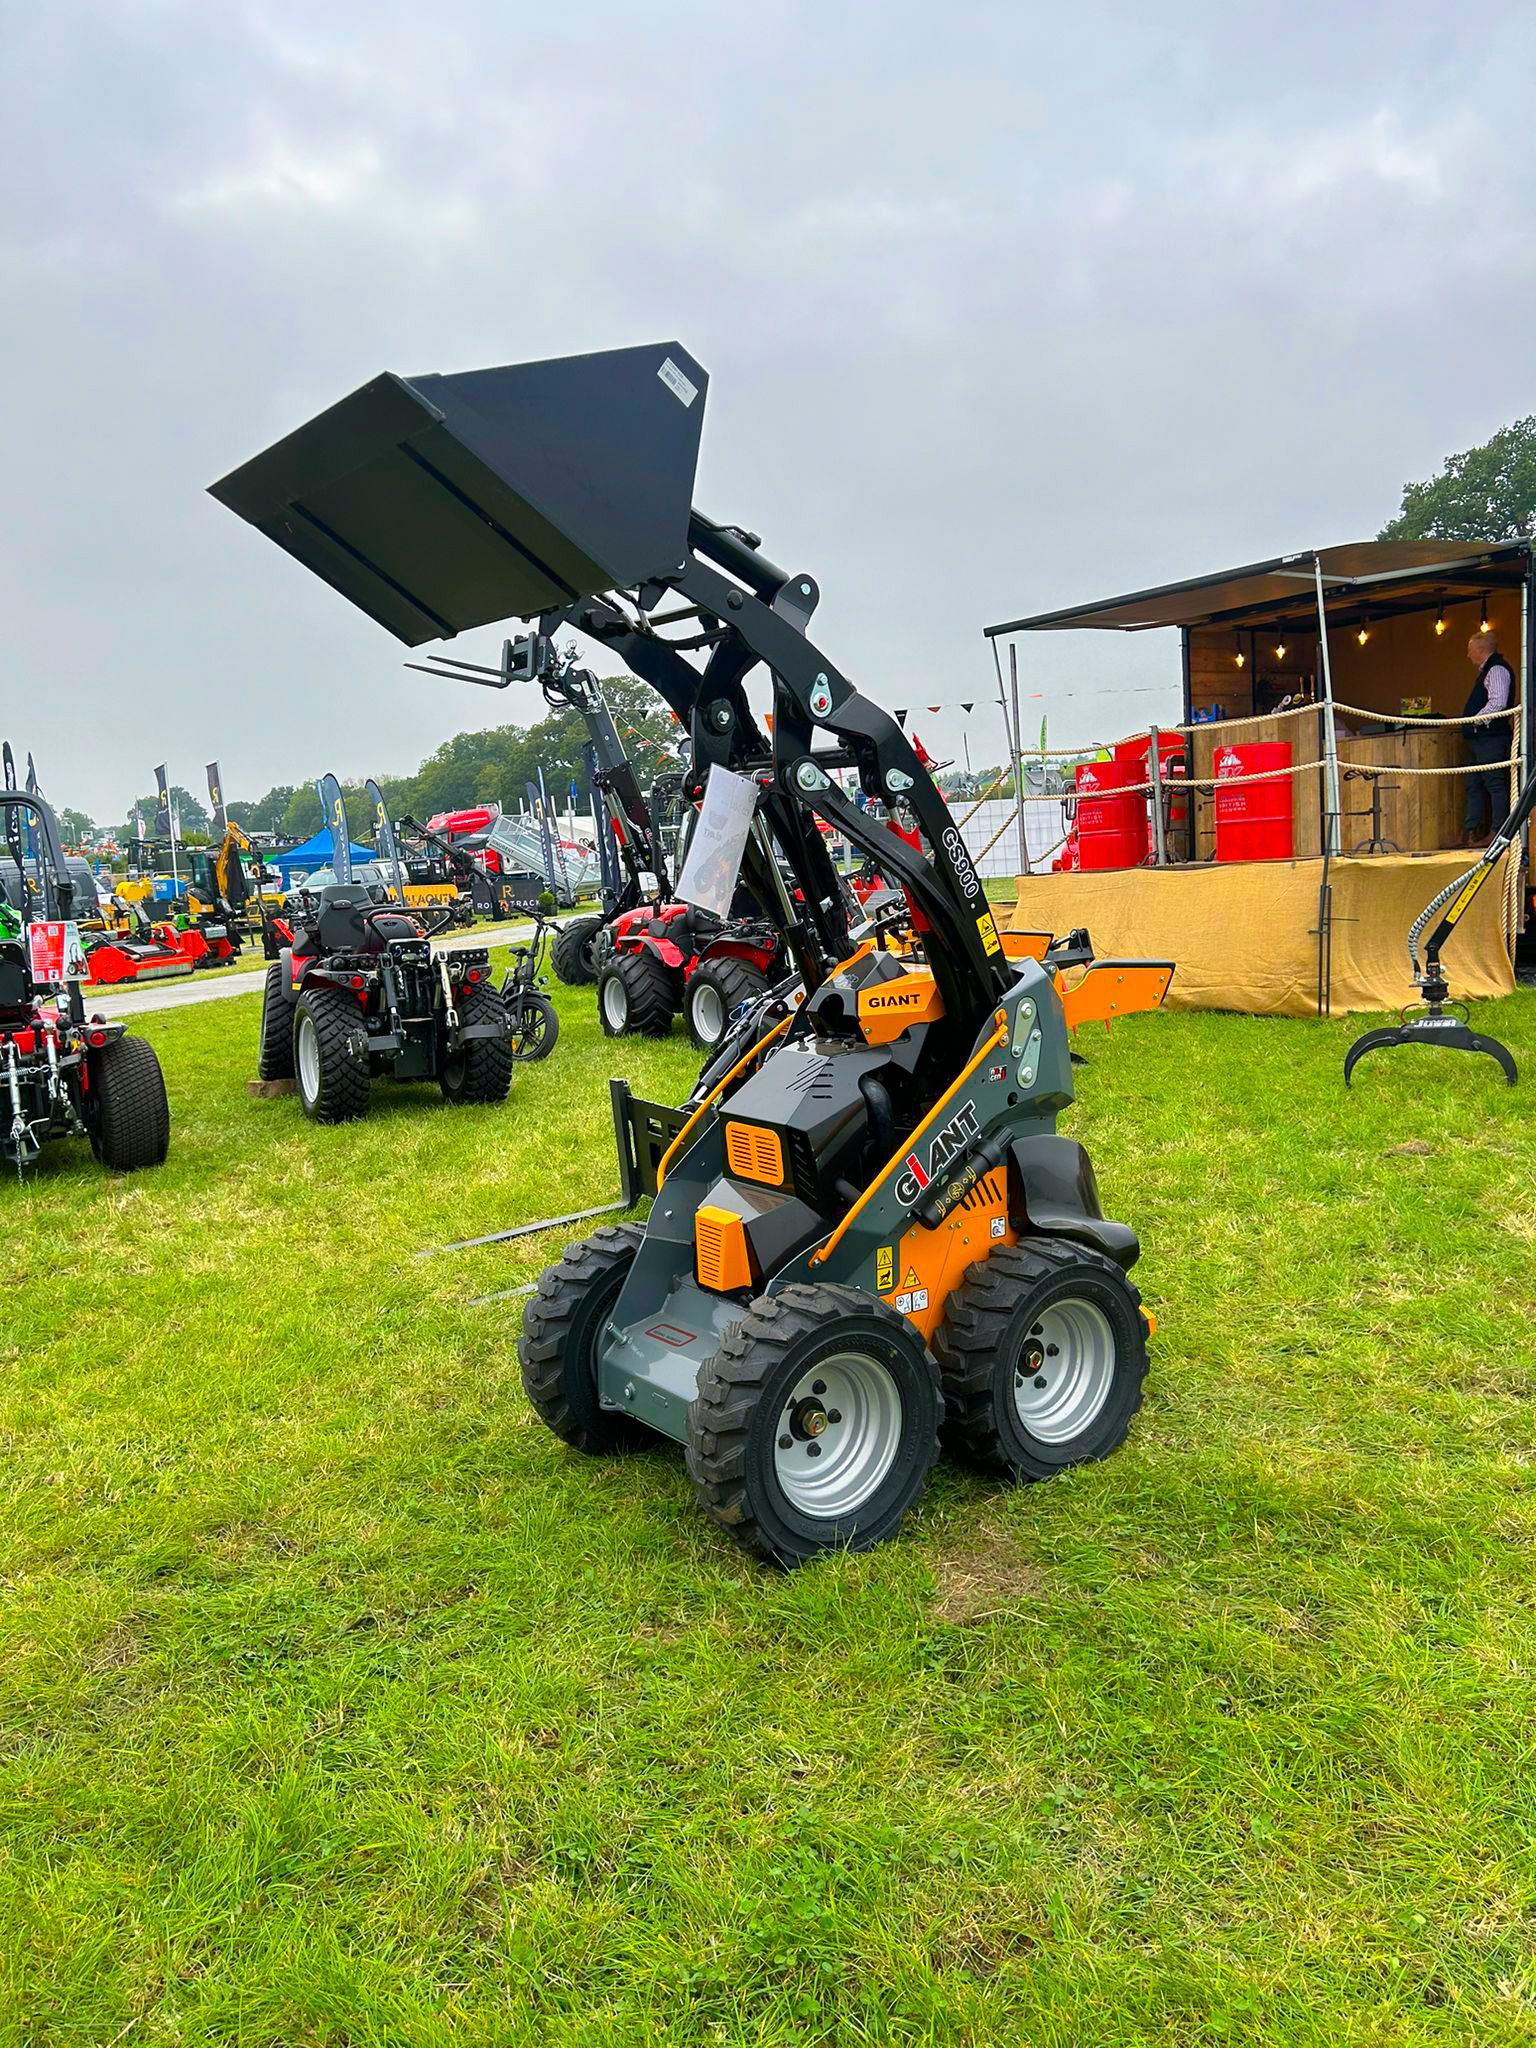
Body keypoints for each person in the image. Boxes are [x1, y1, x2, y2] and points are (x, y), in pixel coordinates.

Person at [1461, 630, 1516, 847]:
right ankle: (1470, 831)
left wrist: (1474, 721)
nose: (1468, 655)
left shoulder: (1497, 670)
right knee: (1473, 785)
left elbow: (1497, 703)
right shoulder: (1487, 671)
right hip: (1480, 738)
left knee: (1495, 784)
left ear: (1480, 650)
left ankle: (1497, 831)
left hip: (1490, 737)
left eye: (1470, 649)